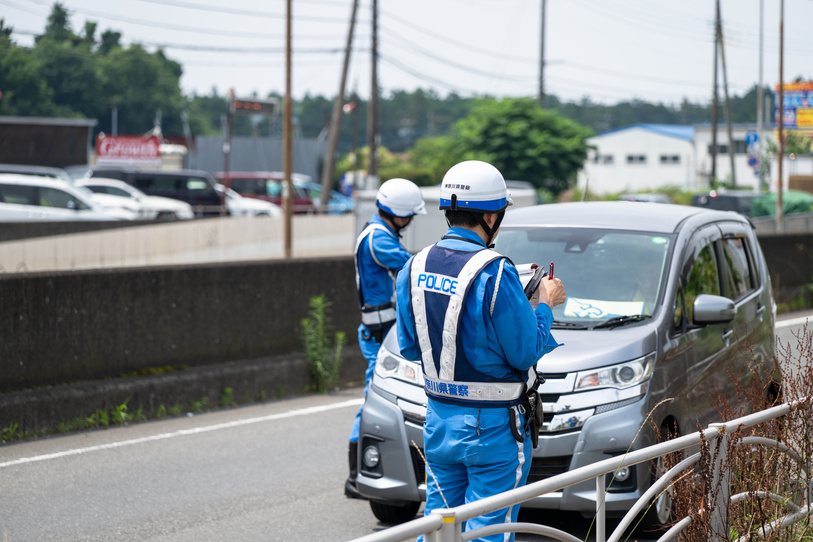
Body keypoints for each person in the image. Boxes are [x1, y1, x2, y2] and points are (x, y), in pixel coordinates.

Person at [395, 160, 566, 541]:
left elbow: (410, 346)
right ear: (491, 215)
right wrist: (544, 305)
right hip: (492, 429)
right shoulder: (496, 272)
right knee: (489, 532)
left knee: (439, 528)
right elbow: (525, 352)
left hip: (438, 420)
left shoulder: (413, 266)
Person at [345, 177, 426, 499]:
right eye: (409, 215)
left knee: (376, 395)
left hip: (379, 329)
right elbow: (411, 267)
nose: (409, 221)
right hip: (379, 332)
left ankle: (359, 473)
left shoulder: (377, 232)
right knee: (373, 398)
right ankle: (356, 474)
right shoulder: (379, 239)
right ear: (398, 213)